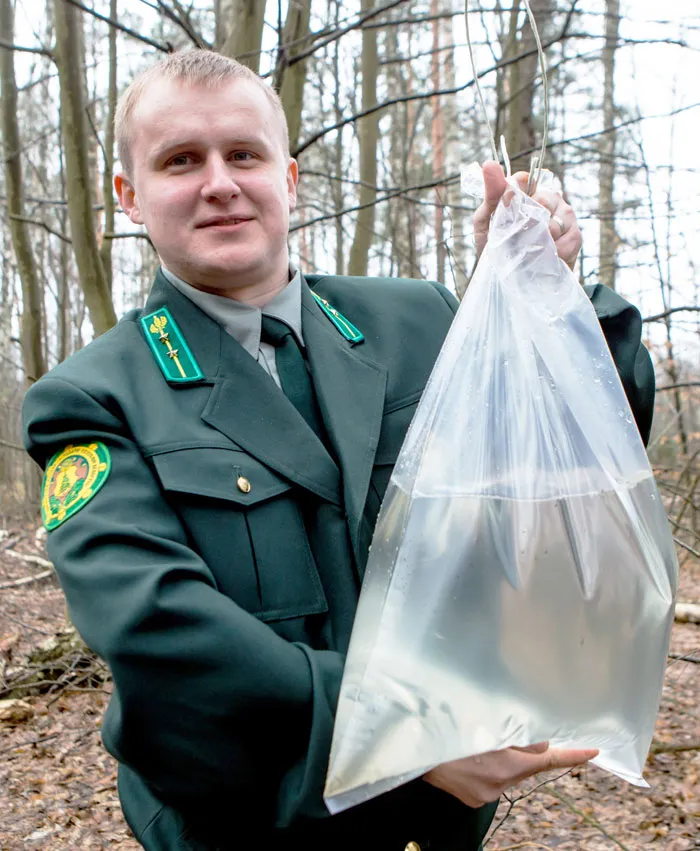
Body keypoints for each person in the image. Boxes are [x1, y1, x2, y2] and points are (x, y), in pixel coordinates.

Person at [22, 51, 654, 851]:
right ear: (130, 197)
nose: (219, 182)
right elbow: (158, 633)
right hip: (246, 824)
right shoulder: (95, 395)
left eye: (243, 154)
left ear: (288, 180)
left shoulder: (419, 322)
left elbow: (571, 465)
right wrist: (411, 739)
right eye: (181, 160)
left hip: (439, 828)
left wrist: (546, 301)